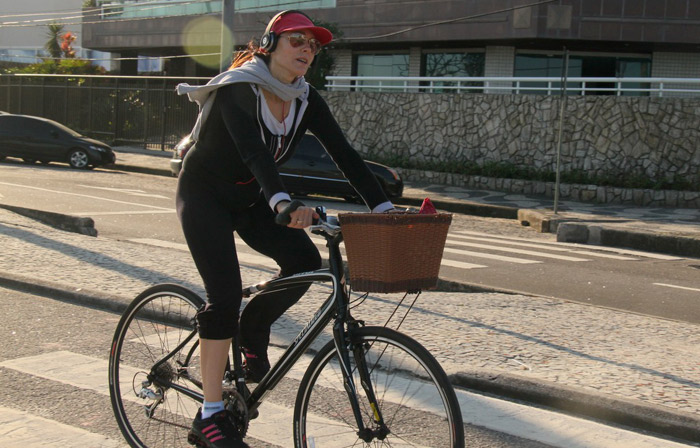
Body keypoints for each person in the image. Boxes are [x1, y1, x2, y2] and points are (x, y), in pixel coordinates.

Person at [175, 10, 395, 448]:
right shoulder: (241, 87)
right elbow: (253, 151)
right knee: (222, 298)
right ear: (270, 44)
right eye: (297, 41)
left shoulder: (305, 99)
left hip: (251, 197)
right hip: (205, 194)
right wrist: (282, 201)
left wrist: (385, 208)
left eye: (313, 46)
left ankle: (253, 329)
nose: (307, 51)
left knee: (303, 259)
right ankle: (210, 414)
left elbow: (344, 155)